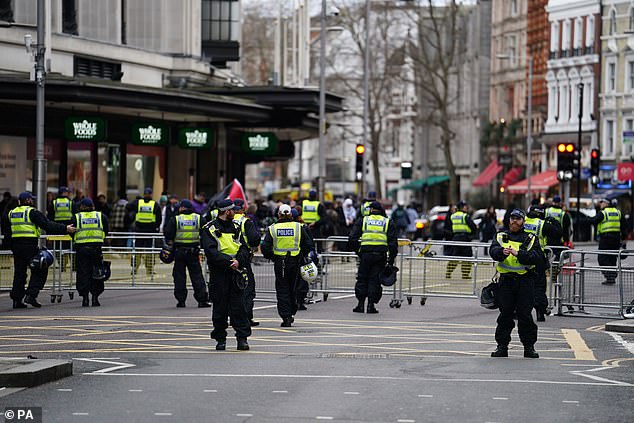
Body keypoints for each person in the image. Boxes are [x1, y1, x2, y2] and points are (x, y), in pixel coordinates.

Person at [8, 192, 76, 308]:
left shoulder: (11, 213)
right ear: (29, 200)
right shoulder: (32, 212)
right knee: (40, 269)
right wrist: (65, 229)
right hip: (29, 245)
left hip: (16, 246)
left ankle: (16, 300)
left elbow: (7, 231)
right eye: (32, 199)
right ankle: (31, 295)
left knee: (19, 273)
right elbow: (47, 225)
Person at [489, 208, 542, 358]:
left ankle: (529, 347)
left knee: (525, 316)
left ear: (523, 221)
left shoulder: (531, 238)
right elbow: (493, 251)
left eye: (518, 219)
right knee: (505, 315)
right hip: (506, 282)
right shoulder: (501, 236)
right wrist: (501, 253)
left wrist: (520, 254)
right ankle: (502, 346)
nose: (514, 221)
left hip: (525, 282)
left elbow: (537, 257)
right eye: (512, 218)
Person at [201, 199, 251, 351]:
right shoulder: (209, 229)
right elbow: (211, 252)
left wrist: (238, 261)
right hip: (220, 273)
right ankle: (220, 339)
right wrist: (229, 261)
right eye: (233, 210)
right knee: (220, 308)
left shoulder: (236, 227)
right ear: (226, 211)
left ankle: (242, 339)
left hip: (236, 272)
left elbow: (244, 248)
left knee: (239, 307)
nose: (235, 212)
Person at [261, 204, 314, 326]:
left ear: (279, 214)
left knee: (282, 289)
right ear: (290, 214)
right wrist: (301, 254)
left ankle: (286, 316)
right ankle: (292, 311)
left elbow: (265, 247)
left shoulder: (273, 228)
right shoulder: (298, 227)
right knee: (293, 287)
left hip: (280, 262)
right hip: (295, 261)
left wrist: (273, 257)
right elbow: (308, 244)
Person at [347, 201, 398, 314]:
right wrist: (391, 259)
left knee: (362, 278)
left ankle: (360, 305)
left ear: (370, 210)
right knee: (374, 280)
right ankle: (371, 306)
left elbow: (352, 238)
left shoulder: (363, 220)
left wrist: (359, 251)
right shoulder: (387, 222)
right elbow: (393, 244)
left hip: (365, 255)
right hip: (380, 256)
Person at [164, 199, 210, 308]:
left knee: (179, 276)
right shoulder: (198, 218)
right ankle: (202, 300)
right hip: (193, 252)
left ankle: (181, 301)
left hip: (179, 252)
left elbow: (168, 234)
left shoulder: (176, 219)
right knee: (197, 276)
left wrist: (169, 246)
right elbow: (206, 233)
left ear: (182, 208)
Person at [523, 205, 562, 322]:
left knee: (521, 286)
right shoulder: (542, 224)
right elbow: (558, 233)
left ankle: (517, 312)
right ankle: (540, 312)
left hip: (521, 258)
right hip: (538, 259)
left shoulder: (522, 222)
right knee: (539, 288)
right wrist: (553, 221)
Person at [71, 198, 109, 307]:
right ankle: (95, 298)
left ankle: (85, 298)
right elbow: (106, 230)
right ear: (93, 206)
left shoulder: (77, 217)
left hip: (82, 249)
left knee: (83, 273)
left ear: (82, 207)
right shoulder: (101, 216)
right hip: (96, 249)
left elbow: (71, 231)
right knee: (97, 272)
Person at [233, 198, 262, 325]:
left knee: (231, 289)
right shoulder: (246, 222)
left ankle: (232, 317)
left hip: (227, 259)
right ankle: (246, 317)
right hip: (243, 259)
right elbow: (254, 239)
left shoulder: (226, 220)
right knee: (247, 288)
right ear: (243, 209)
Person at [125, 187, 161, 276]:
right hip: (150, 231)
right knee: (149, 251)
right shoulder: (155, 204)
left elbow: (128, 206)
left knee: (137, 251)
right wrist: (156, 228)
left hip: (140, 230)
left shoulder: (138, 203)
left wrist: (136, 200)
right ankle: (149, 270)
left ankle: (134, 269)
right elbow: (159, 218)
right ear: (151, 194)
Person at [590, 199, 627, 285]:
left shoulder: (603, 212)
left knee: (602, 258)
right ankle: (611, 278)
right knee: (612, 258)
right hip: (616, 239)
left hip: (605, 239)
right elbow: (625, 225)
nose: (601, 204)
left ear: (606, 203)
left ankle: (610, 275)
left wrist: (585, 220)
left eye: (602, 202)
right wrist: (623, 238)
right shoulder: (618, 212)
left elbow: (594, 220)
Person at [444, 201, 477, 279]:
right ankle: (465, 274)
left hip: (455, 238)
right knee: (467, 257)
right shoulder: (465, 216)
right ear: (462, 207)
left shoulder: (453, 216)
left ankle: (448, 272)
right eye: (465, 206)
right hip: (465, 238)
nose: (467, 208)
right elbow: (473, 227)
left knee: (454, 257)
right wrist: (471, 235)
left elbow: (449, 227)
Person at [48, 186, 75, 271]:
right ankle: (73, 265)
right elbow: (75, 216)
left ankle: (62, 265)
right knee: (70, 247)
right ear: (64, 193)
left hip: (57, 228)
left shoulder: (54, 202)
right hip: (69, 228)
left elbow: (50, 217)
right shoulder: (70, 202)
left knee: (59, 248)